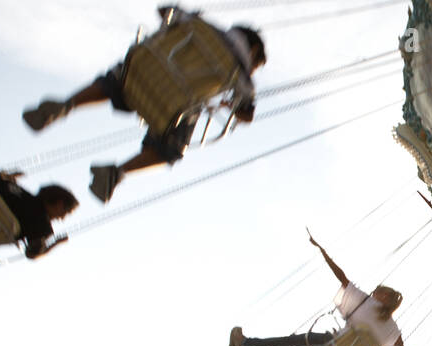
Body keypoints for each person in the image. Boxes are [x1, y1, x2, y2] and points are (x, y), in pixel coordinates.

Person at [22, 7, 267, 203]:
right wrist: (229, 104)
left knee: (119, 79)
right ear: (253, 50)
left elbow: (164, 11)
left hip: (140, 72)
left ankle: (67, 105)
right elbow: (246, 116)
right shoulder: (242, 77)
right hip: (169, 104)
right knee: (171, 149)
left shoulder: (195, 22)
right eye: (256, 64)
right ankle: (117, 172)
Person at [228, 231, 432, 346]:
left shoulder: (366, 303)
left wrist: (322, 251)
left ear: (384, 297)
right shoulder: (393, 332)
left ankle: (245, 343)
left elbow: (342, 277)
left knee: (292, 340)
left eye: (377, 291)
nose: (373, 292)